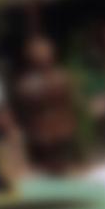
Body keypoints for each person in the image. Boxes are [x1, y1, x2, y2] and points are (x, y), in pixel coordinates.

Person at [13, 35, 79, 173]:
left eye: (45, 54)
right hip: (42, 130)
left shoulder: (61, 76)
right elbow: (26, 102)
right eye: (39, 55)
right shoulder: (28, 82)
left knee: (61, 160)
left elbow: (70, 97)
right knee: (49, 163)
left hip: (60, 126)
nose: (43, 58)